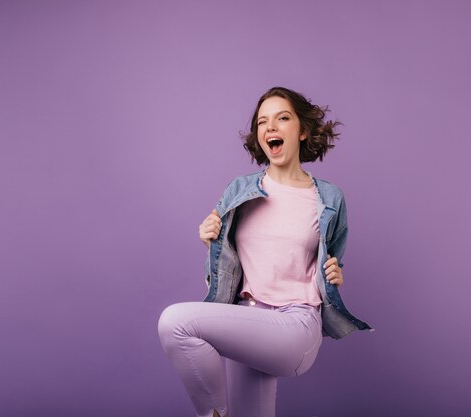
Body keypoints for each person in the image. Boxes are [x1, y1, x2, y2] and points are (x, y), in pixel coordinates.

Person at [158, 86, 372, 417]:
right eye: (262, 122)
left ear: (302, 131)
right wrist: (209, 242)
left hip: (295, 326)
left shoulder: (329, 198)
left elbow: (331, 261)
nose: (270, 127)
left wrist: (335, 273)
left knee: (175, 322)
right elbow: (225, 259)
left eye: (282, 118)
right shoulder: (239, 190)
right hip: (248, 315)